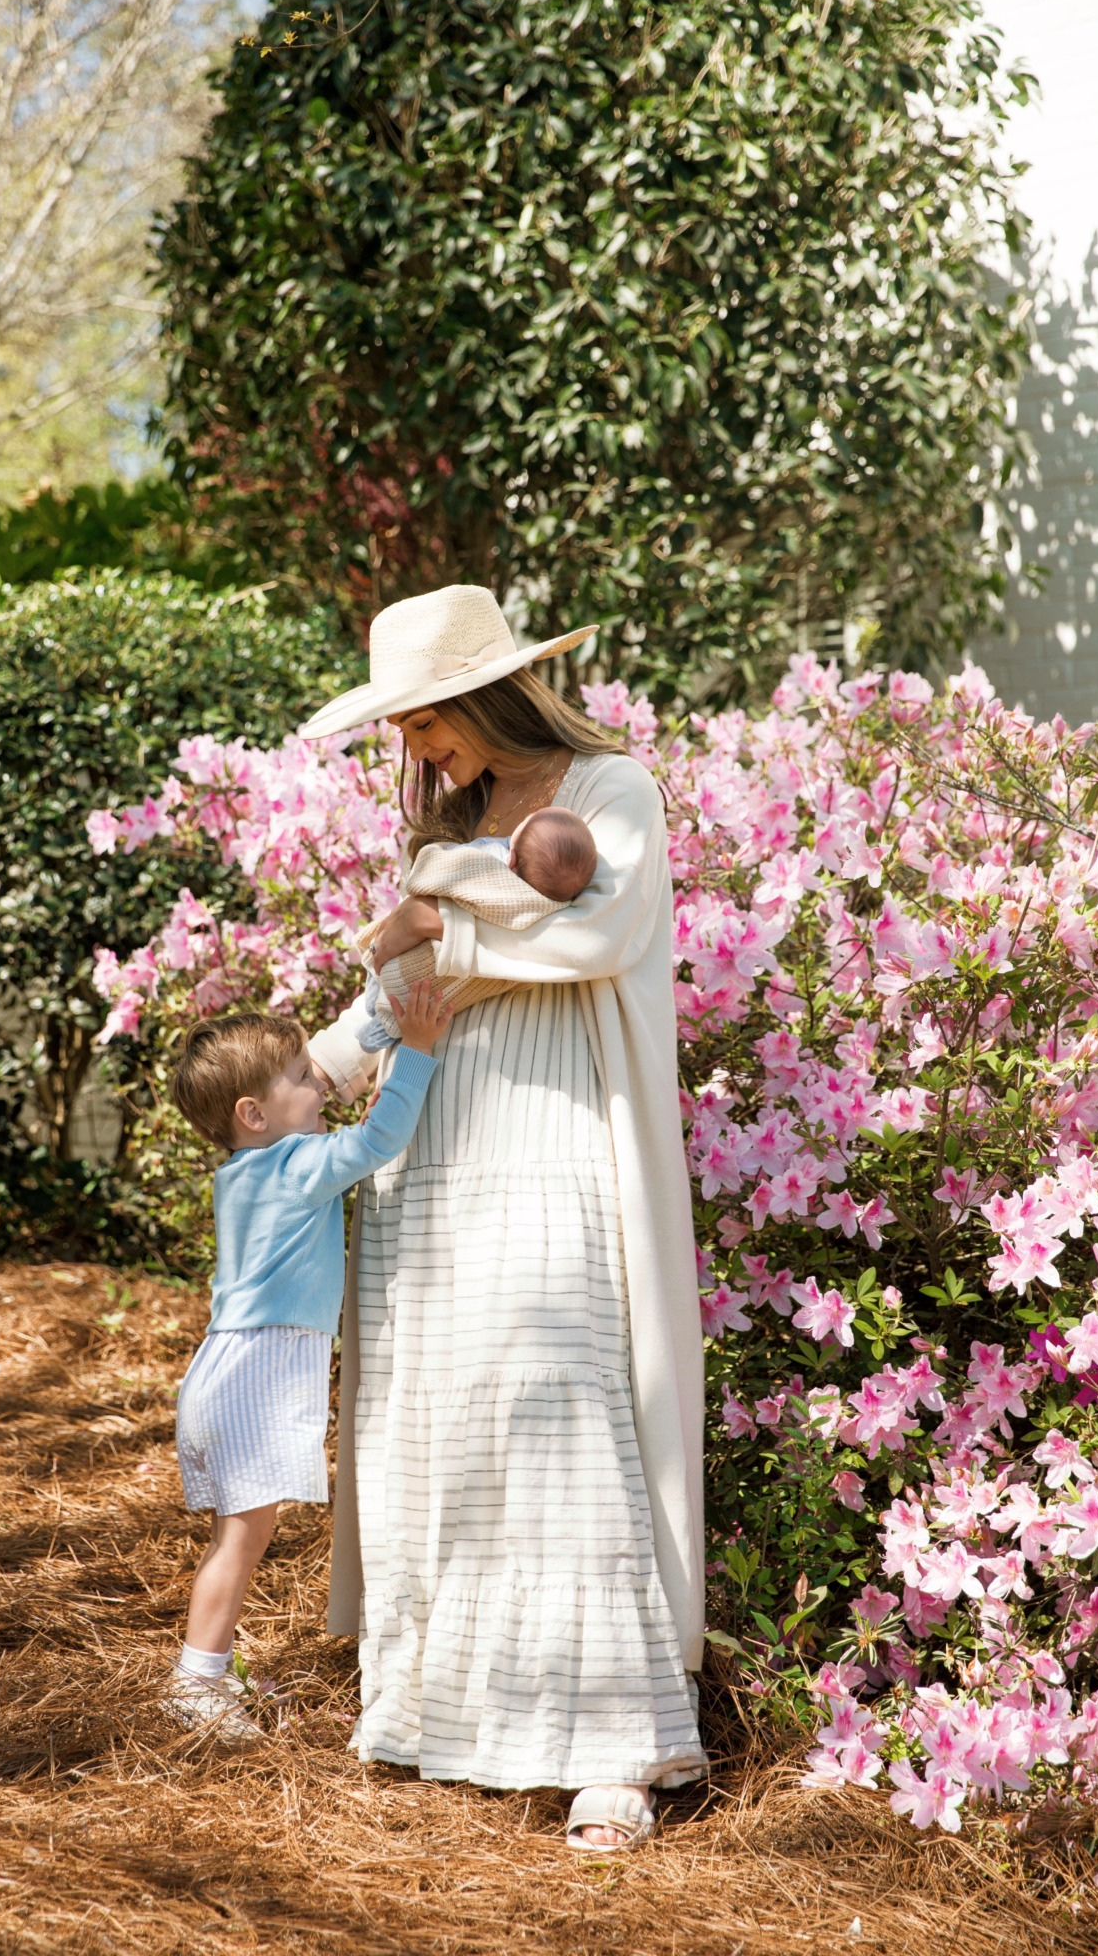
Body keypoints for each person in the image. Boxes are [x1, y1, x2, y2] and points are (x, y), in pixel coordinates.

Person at [300, 584, 707, 1852]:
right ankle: (453, 1706)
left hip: (555, 1125)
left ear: (485, 695)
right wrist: (300, 1070)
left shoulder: (610, 790)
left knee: (561, 1392)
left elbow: (600, 939)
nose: (419, 754)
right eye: (410, 734)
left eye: (426, 724)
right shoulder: (460, 824)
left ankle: (608, 1745)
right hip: (437, 1137)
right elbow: (398, 978)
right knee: (447, 1400)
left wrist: (439, 913)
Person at [162, 982, 452, 1742]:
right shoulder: (290, 1165)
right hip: (252, 1375)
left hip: (230, 1369)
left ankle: (205, 1672)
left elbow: (340, 1122)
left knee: (238, 1536)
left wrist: (380, 1021)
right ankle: (195, 1682)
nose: (314, 1081)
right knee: (242, 1540)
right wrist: (416, 1051)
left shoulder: (248, 1170)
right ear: (252, 1115)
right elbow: (375, 1143)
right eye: (297, 1076)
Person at [356, 804, 598, 1051]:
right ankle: (379, 1024)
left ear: (511, 860)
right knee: (414, 997)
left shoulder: (492, 856)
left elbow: (438, 868)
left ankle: (377, 1004)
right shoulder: (550, 909)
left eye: (524, 823)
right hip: (446, 984)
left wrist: (420, 909)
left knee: (396, 974)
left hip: (425, 959)